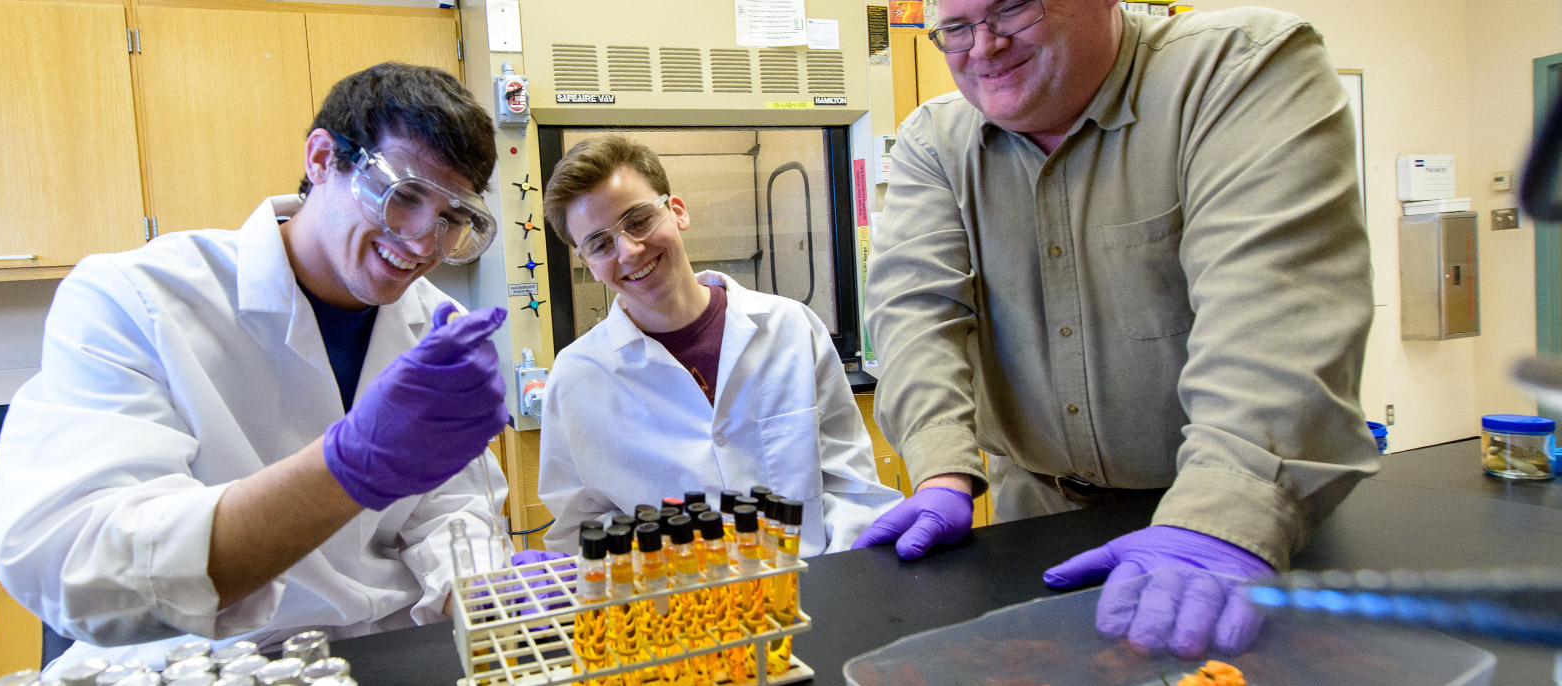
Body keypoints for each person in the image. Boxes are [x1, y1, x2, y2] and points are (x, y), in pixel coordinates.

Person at [857, 0, 1379, 657]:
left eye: (1013, 8)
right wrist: (939, 468)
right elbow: (917, 312)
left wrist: (1222, 520)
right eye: (956, 28)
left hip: (1235, 531)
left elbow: (1277, 303)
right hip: (1042, 525)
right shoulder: (934, 141)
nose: (984, 46)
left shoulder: (1238, 67)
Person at [0, 63, 516, 671]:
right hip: (204, 663)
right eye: (403, 196)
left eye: (452, 219)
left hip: (379, 650)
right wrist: (345, 469)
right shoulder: (135, 298)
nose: (424, 244)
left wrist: (483, 595)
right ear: (322, 159)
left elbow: (449, 508)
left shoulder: (436, 319)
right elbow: (81, 568)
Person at [536, 134, 903, 556]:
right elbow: (579, 532)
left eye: (638, 220)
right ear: (588, 264)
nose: (630, 250)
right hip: (673, 610)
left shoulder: (791, 329)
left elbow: (849, 487)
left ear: (677, 211)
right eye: (600, 244)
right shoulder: (577, 377)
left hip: (810, 595)